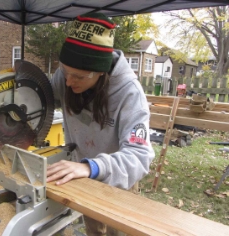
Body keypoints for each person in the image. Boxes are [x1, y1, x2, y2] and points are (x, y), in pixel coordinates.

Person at [47, 12, 155, 236]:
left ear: (101, 72)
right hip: (84, 177)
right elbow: (42, 95)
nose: (68, 81)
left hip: (118, 179)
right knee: (95, 232)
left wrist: (91, 167)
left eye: (78, 76)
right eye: (64, 71)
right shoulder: (68, 76)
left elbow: (139, 156)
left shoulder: (129, 94)